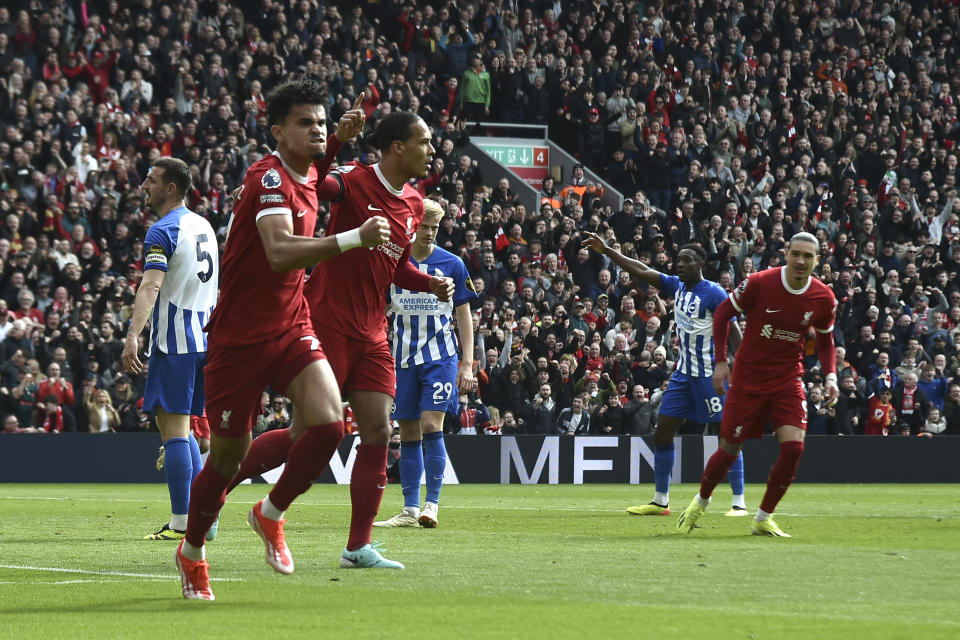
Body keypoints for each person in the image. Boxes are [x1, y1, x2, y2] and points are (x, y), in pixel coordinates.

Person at [173, 81, 391, 600]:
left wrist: (334, 139)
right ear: (278, 132)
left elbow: (317, 168)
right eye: (305, 123)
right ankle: (193, 550)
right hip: (239, 337)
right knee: (227, 458)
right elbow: (277, 251)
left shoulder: (310, 174)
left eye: (320, 122)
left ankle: (269, 513)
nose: (316, 129)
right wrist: (352, 239)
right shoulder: (267, 177)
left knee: (329, 423)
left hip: (293, 324)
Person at [222, 111, 454, 571]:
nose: (433, 150)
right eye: (425, 141)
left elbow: (398, 265)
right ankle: (219, 488)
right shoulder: (355, 179)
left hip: (372, 332)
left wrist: (428, 283)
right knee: (303, 435)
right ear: (396, 148)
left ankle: (357, 547)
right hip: (324, 321)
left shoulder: (413, 201)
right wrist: (333, 146)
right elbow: (309, 185)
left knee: (378, 431)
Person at [677, 232, 838, 538]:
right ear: (786, 253)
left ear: (818, 260)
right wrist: (722, 362)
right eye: (796, 254)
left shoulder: (823, 298)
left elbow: (827, 341)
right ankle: (701, 500)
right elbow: (724, 312)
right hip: (748, 380)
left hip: (788, 379)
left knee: (793, 448)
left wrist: (831, 376)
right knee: (728, 448)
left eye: (809, 256)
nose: (801, 261)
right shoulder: (760, 282)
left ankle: (763, 517)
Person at [581, 233, 747, 517]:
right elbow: (642, 269)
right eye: (678, 259)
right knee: (663, 432)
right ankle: (661, 501)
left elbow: (734, 334)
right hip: (682, 375)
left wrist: (744, 372)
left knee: (726, 436)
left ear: (702, 263)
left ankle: (739, 502)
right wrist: (608, 250)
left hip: (710, 376)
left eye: (687, 260)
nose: (679, 264)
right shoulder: (676, 285)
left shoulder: (715, 293)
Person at [121, 157, 219, 541]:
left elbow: (150, 286)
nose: (144, 185)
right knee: (187, 432)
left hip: (174, 342)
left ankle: (184, 523)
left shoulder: (163, 229)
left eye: (151, 180)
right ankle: (202, 520)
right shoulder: (205, 226)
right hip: (204, 340)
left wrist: (133, 335)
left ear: (171, 188)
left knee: (174, 430)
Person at [373, 198, 477, 528]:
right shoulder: (392, 263)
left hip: (440, 358)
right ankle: (408, 509)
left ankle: (431, 504)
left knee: (432, 424)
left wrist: (467, 363)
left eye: (435, 227)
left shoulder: (452, 264)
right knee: (407, 432)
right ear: (412, 226)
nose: (431, 233)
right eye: (425, 227)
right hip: (403, 358)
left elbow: (464, 316)